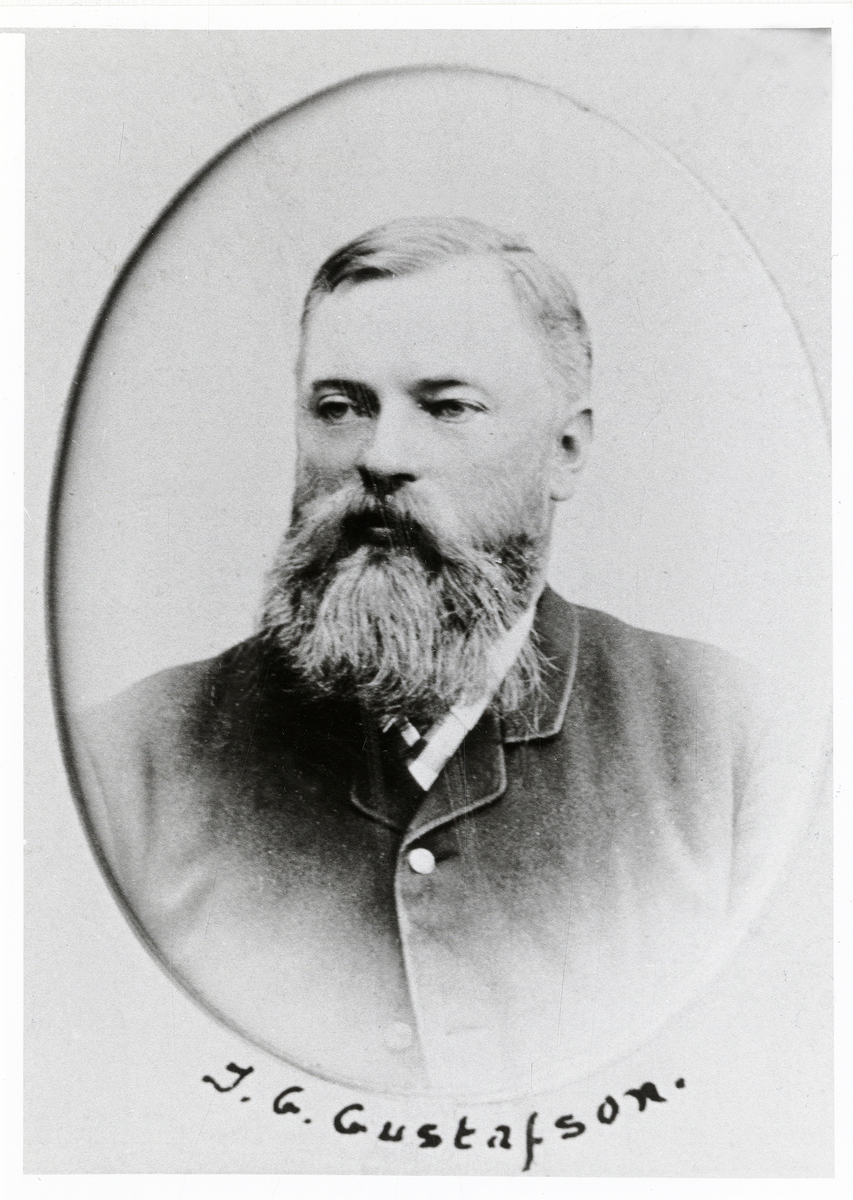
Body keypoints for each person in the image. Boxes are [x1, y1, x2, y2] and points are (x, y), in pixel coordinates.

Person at [74, 217, 809, 1100]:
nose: (380, 457)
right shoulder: (127, 761)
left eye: (446, 406)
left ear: (565, 450)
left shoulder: (736, 740)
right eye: (339, 407)